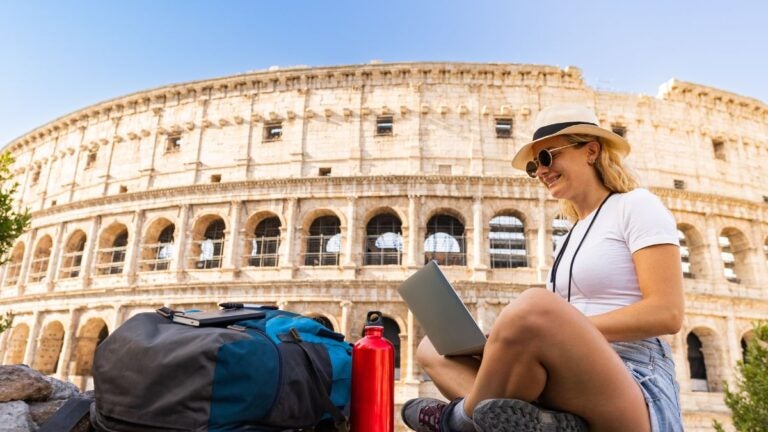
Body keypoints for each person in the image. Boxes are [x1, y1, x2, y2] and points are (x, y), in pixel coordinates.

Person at [401, 105, 685, 432]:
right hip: (566, 377)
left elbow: (667, 313)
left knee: (534, 306)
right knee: (433, 347)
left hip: (633, 374)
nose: (541, 171)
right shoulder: (570, 235)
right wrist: (506, 340)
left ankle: (456, 422)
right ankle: (543, 422)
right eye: (534, 166)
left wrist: (562, 331)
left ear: (591, 151)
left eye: (548, 157)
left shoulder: (637, 205)